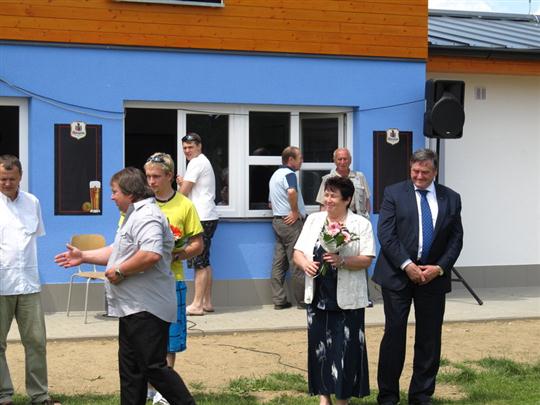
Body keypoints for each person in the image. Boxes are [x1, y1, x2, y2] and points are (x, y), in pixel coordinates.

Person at [55, 167, 196, 405]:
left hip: (147, 307)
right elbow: (117, 251)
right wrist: (84, 256)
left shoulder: (147, 216)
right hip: (133, 307)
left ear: (130, 193)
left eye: (115, 192)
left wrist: (120, 270)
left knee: (153, 367)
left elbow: (150, 254)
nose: (111, 197)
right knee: (132, 370)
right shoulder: (133, 215)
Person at [372, 148, 463, 405]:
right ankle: (388, 397)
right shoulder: (394, 193)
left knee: (429, 339)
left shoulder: (451, 198)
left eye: (425, 172)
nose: (419, 176)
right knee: (394, 335)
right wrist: (407, 264)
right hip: (397, 276)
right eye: (415, 171)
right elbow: (386, 234)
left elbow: (456, 239)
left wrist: (439, 268)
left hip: (433, 279)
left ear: (435, 171)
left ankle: (421, 396)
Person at [293, 176, 375, 405]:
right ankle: (324, 397)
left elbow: (367, 259)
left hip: (348, 300)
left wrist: (343, 261)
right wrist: (305, 264)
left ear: (347, 200)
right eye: (326, 194)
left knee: (346, 351)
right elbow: (297, 252)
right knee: (320, 349)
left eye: (333, 196)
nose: (328, 200)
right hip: (318, 297)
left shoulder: (361, 224)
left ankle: (342, 399)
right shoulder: (314, 220)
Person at [0, 155, 61, 405]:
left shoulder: (32, 202)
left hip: (29, 283)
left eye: (12, 179)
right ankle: (3, 395)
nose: (7, 183)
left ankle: (39, 395)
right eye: (2, 179)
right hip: (1, 284)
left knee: (36, 342)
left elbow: (33, 237)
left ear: (20, 178)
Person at [144, 153, 204, 404]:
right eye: (148, 176)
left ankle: (164, 391)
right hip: (144, 282)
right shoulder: (141, 204)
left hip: (173, 280)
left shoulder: (185, 205)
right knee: (146, 338)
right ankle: (148, 387)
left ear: (170, 176)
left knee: (170, 340)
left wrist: (178, 254)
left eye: (156, 176)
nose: (151, 181)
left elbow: (198, 243)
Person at [177, 132, 219, 316]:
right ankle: (207, 303)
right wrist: (183, 183)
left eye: (190, 147)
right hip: (208, 216)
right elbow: (192, 188)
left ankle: (196, 305)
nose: (187, 151)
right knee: (205, 260)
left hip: (201, 217)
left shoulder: (196, 163)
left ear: (199, 146)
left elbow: (183, 193)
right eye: (185, 148)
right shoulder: (202, 162)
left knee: (199, 262)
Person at [268, 146, 307, 310]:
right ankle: (303, 301)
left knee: (279, 262)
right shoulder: (289, 174)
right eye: (300, 158)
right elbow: (291, 192)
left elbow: (270, 203)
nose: (302, 161)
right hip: (291, 224)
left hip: (278, 221)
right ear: (290, 160)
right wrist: (295, 211)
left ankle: (279, 300)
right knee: (297, 260)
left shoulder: (274, 176)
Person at [315, 148, 370, 219]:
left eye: (345, 159)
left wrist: (366, 218)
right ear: (334, 161)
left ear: (350, 160)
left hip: (357, 218)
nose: (342, 162)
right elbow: (323, 204)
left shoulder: (359, 177)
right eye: (339, 159)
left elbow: (367, 201)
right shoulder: (327, 179)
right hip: (335, 219)